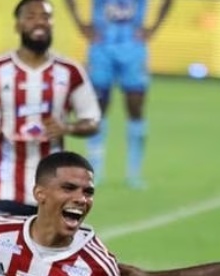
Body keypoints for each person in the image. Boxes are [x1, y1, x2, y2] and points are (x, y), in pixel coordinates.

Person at [0, 0, 101, 217]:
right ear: (18, 25)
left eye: (45, 17)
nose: (39, 22)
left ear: (52, 23)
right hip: (5, 183)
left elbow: (92, 120)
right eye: (31, 17)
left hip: (54, 187)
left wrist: (68, 128)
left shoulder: (70, 71)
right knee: (0, 239)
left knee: (53, 240)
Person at [63, 0, 173, 189]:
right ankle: (95, 171)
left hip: (133, 48)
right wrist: (79, 23)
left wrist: (154, 27)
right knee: (98, 109)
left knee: (135, 107)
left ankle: (134, 173)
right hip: (101, 48)